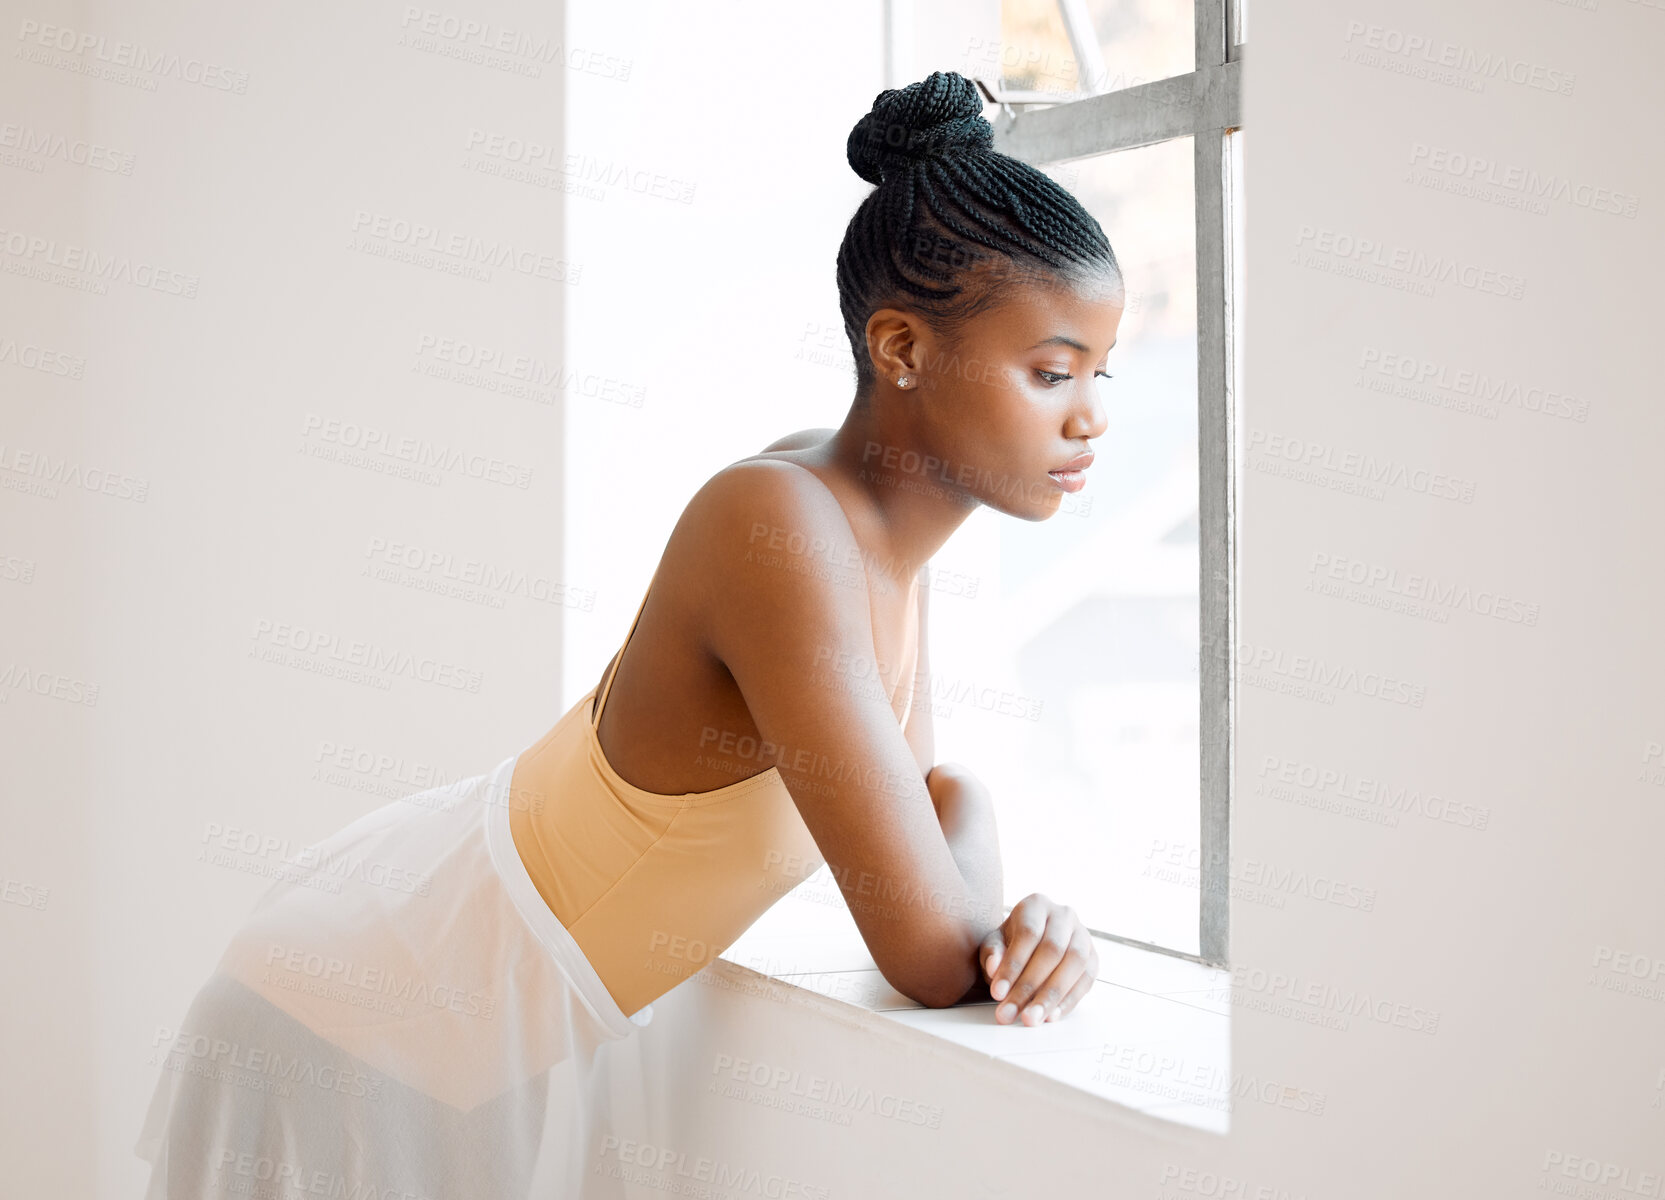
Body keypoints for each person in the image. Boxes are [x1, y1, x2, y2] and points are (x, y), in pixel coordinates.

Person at [134, 69, 1124, 1199]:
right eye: (1052, 373)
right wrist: (998, 889)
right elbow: (932, 948)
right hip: (366, 1008)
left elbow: (927, 824)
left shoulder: (888, 538)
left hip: (491, 1019)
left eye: (1101, 371)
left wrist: (993, 889)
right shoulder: (779, 526)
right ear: (899, 348)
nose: (1092, 415)